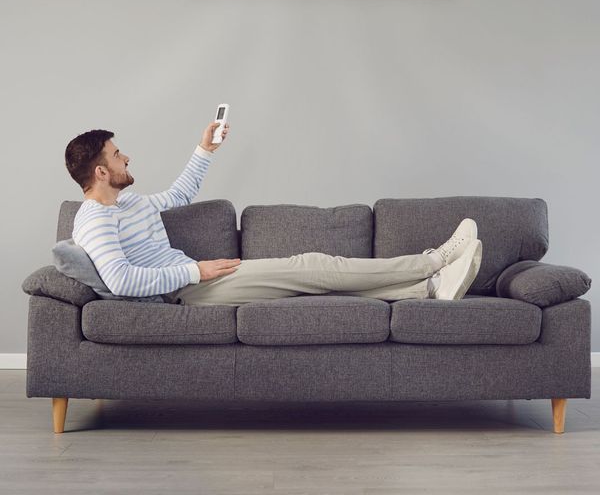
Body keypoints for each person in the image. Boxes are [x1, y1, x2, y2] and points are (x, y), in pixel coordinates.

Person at [64, 121, 482, 307]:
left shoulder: (129, 203)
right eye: (118, 155)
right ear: (101, 172)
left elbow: (180, 194)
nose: (127, 157)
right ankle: (435, 260)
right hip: (187, 292)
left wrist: (205, 149)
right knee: (313, 266)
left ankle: (427, 291)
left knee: (313, 283)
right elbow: (119, 280)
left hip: (197, 280)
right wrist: (196, 273)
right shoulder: (96, 220)